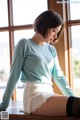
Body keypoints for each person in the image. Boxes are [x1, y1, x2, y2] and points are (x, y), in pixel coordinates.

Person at [0, 10, 80, 117]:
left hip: (49, 94)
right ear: (44, 25)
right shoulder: (24, 44)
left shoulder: (51, 49)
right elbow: (14, 75)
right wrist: (3, 105)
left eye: (57, 32)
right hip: (34, 97)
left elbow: (59, 77)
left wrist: (73, 98)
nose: (56, 36)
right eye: (54, 31)